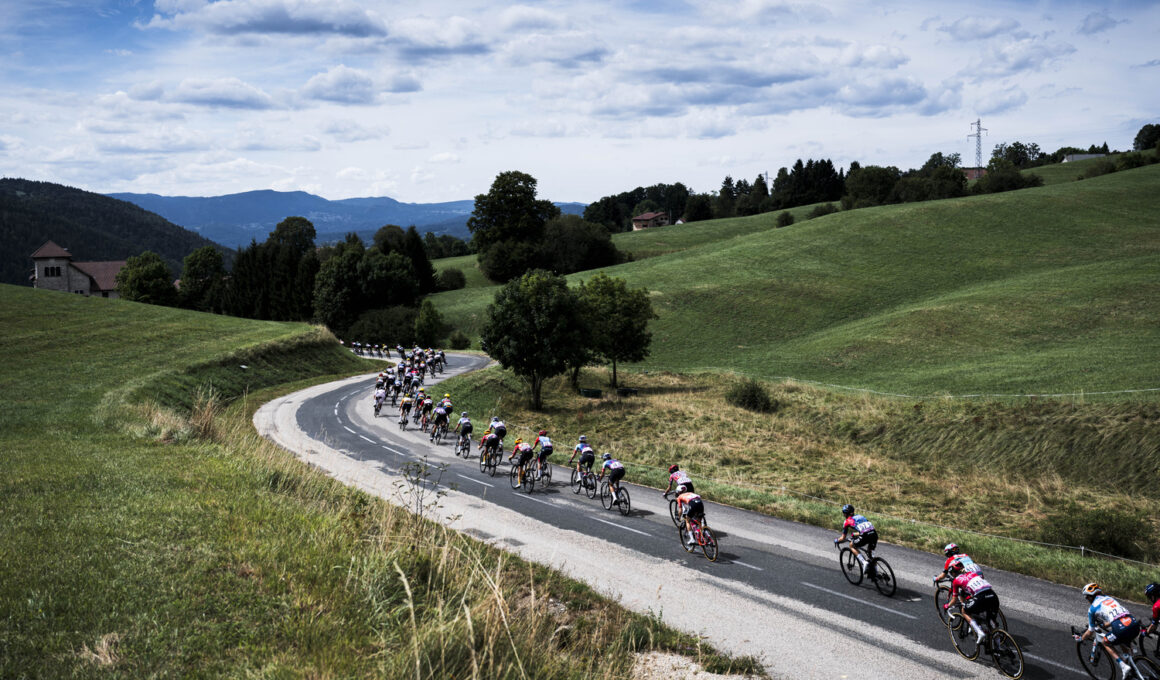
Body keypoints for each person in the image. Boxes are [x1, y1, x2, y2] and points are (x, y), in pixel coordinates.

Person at [1075, 583, 1142, 677]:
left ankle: (1123, 666)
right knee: (1120, 639)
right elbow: (1116, 617)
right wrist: (1104, 625)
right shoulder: (1110, 599)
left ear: (1090, 597)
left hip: (1120, 628)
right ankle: (1128, 658)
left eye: (1087, 597)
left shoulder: (1092, 609)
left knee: (1105, 642)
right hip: (1133, 623)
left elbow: (1090, 632)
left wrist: (1081, 639)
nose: (1087, 599)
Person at [944, 560, 1002, 646]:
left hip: (981, 597)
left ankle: (979, 632)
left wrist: (947, 606)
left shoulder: (956, 581)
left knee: (964, 611)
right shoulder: (972, 573)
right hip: (993, 595)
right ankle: (998, 647)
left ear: (953, 573)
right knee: (992, 623)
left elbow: (954, 600)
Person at [833, 504, 878, 574]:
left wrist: (836, 540)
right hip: (874, 534)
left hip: (865, 535)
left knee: (851, 545)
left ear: (845, 514)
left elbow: (843, 538)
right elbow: (867, 528)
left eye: (843, 513)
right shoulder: (861, 516)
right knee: (871, 555)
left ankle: (864, 562)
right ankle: (876, 573)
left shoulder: (847, 521)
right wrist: (855, 534)